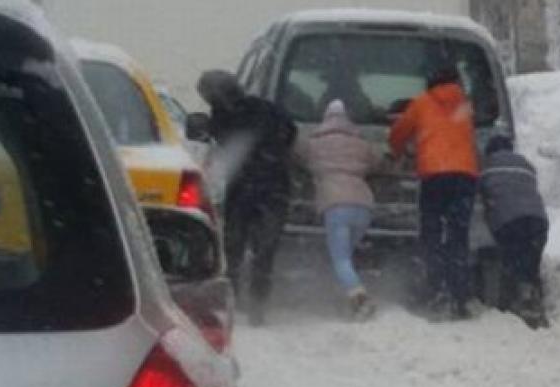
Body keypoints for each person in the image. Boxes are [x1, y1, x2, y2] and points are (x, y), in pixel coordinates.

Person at [197, 69, 296, 325]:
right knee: (265, 250)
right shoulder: (270, 110)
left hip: (242, 188)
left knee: (234, 248)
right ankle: (258, 307)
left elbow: (220, 144)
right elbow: (290, 134)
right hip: (275, 186)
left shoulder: (222, 117)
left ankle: (232, 302)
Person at [388, 66, 479, 321]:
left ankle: (434, 291)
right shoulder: (465, 105)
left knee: (432, 234)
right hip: (464, 175)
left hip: (434, 174)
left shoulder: (422, 103)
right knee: (458, 236)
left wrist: (397, 151)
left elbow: (399, 133)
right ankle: (459, 297)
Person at [297, 99, 383, 320]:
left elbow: (299, 158)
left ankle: (359, 298)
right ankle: (342, 297)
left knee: (340, 259)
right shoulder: (361, 142)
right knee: (347, 257)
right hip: (363, 205)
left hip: (335, 204)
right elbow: (378, 162)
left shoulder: (314, 143)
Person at [479, 135, 549, 330]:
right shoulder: (526, 164)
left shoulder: (485, 166)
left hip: (508, 220)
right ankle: (533, 299)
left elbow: (480, 194)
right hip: (539, 221)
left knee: (511, 261)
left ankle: (513, 302)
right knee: (531, 258)